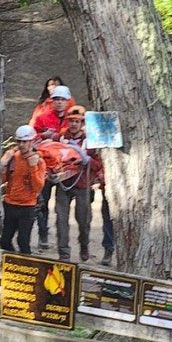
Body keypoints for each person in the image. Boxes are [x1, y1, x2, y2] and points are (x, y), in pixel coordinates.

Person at [55, 105, 101, 261]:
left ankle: (84, 246)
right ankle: (64, 252)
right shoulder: (61, 138)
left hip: (82, 183)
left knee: (83, 219)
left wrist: (88, 160)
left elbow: (98, 164)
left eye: (77, 121)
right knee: (61, 218)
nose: (73, 124)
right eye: (71, 121)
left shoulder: (91, 141)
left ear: (82, 123)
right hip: (64, 183)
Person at [31, 85, 73, 249]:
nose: (59, 102)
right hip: (46, 167)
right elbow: (32, 138)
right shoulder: (42, 118)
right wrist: (43, 135)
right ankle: (43, 235)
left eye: (62, 99)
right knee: (42, 202)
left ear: (67, 101)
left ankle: (63, 243)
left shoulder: (74, 119)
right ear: (52, 101)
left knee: (62, 208)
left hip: (66, 169)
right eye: (56, 99)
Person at [0, 125, 46, 254]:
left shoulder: (39, 162)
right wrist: (3, 164)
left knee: (23, 241)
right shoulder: (13, 157)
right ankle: (12, 263)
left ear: (31, 142)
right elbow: (2, 180)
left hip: (27, 206)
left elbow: (38, 187)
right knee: (5, 241)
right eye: (19, 141)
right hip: (10, 204)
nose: (21, 144)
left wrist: (33, 167)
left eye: (24, 141)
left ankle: (26, 265)